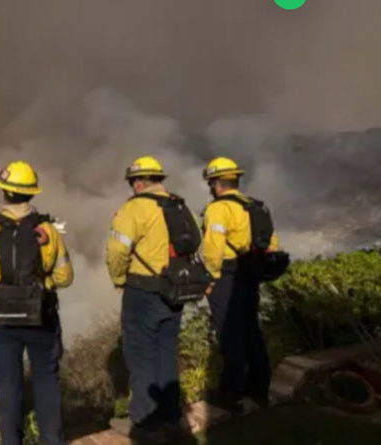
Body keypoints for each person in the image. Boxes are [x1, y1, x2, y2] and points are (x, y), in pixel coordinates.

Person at [0, 160, 74, 445]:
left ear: (4, 192)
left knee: (8, 385)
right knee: (46, 380)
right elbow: (65, 276)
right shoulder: (48, 230)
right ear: (32, 193)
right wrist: (42, 286)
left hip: (1, 320)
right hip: (41, 317)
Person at [106, 156, 203, 441]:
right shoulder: (180, 206)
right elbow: (195, 242)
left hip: (143, 291)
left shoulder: (134, 209)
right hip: (176, 289)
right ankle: (171, 416)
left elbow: (117, 251)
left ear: (138, 182)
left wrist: (118, 279)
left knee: (140, 355)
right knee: (166, 351)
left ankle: (144, 421)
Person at [200, 156, 281, 412]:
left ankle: (231, 394)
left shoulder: (218, 209)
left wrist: (210, 278)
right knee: (251, 331)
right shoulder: (254, 206)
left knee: (229, 335)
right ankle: (259, 389)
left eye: (211, 183)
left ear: (216, 183)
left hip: (226, 275)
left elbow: (213, 249)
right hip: (250, 273)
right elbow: (272, 241)